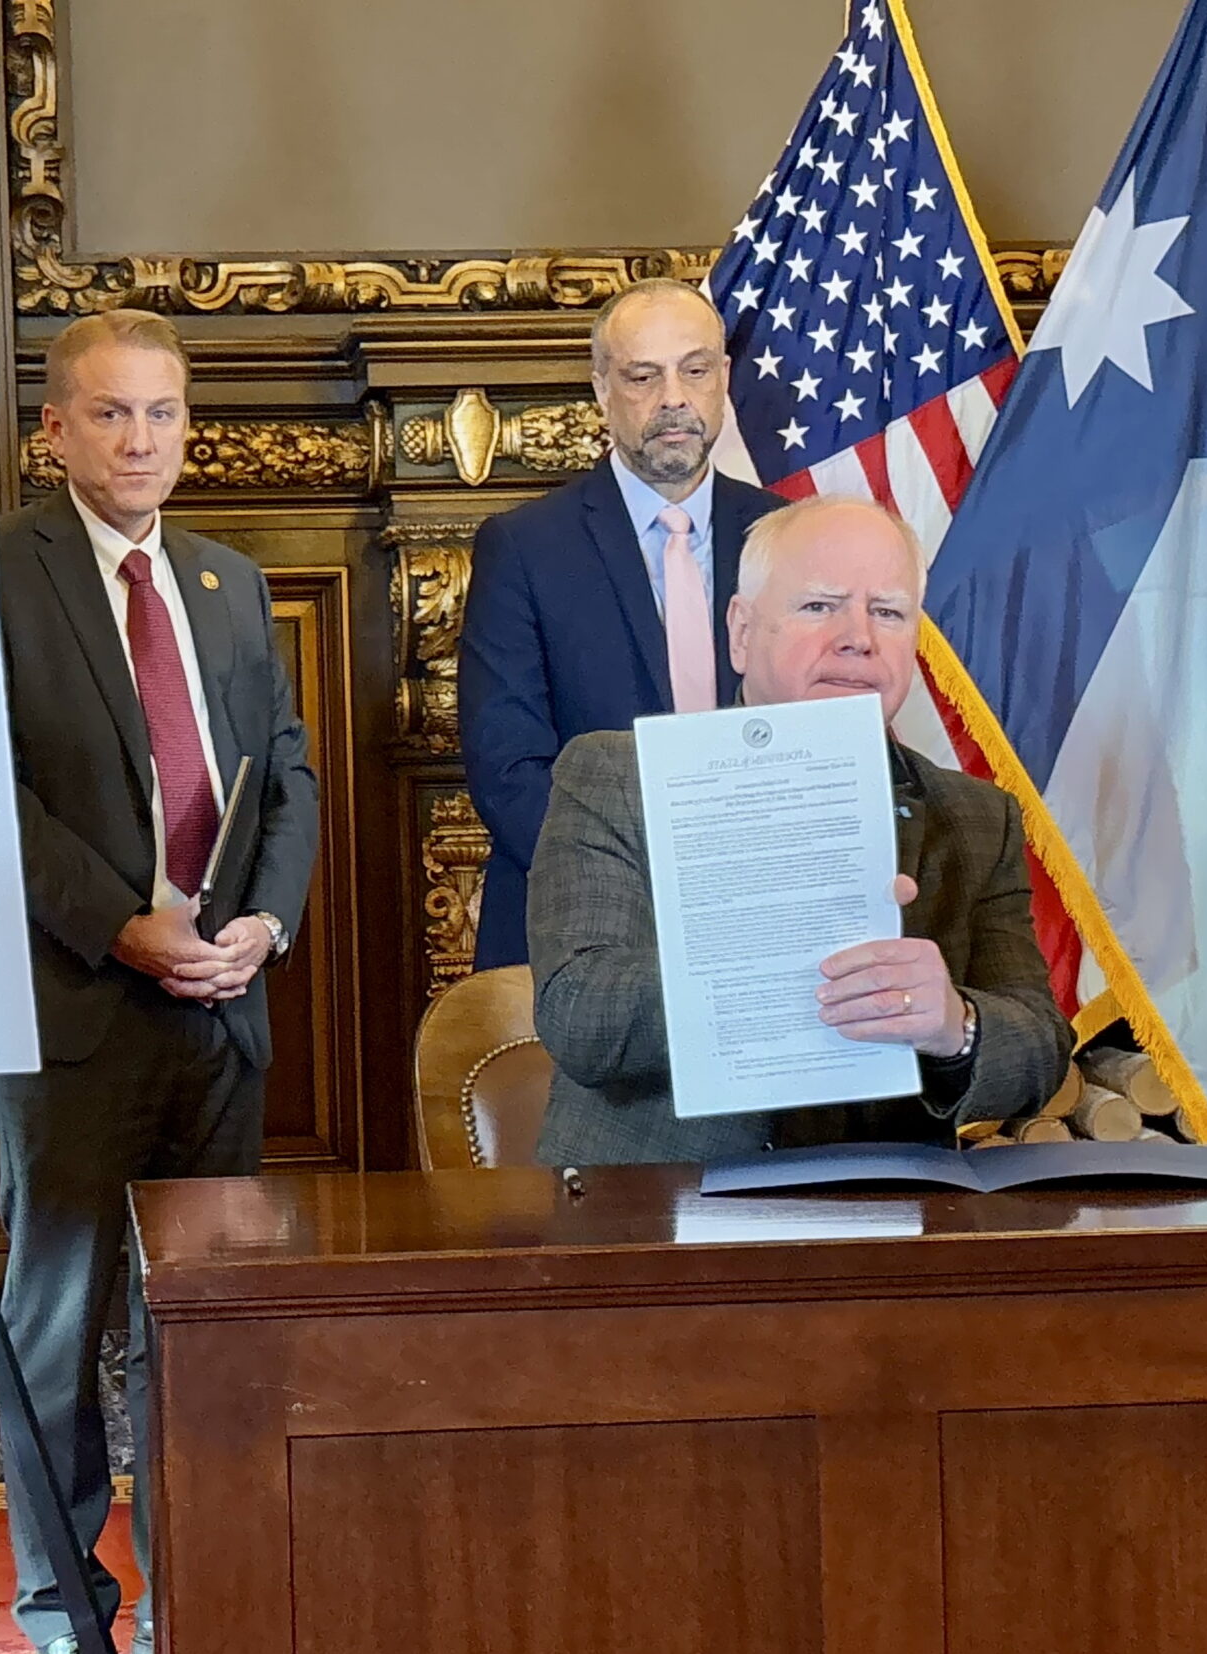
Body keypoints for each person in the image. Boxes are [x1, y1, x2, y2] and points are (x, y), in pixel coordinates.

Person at [0, 308, 319, 1654]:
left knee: (201, 1327)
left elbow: (287, 775)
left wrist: (266, 924)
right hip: (76, 1009)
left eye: (163, 413)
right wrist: (119, 923)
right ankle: (69, 1617)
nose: (141, 441)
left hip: (221, 1014)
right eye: (111, 413)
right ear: (55, 429)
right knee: (59, 1329)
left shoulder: (227, 581)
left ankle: (208, 1585)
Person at [528, 495, 1070, 1166]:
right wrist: (784, 954)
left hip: (883, 1208)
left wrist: (953, 1023)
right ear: (741, 632)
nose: (858, 637)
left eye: (888, 612)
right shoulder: (618, 777)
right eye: (819, 605)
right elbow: (579, 1017)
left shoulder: (978, 816)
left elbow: (1040, 1050)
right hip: (654, 1202)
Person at [457, 277, 787, 970]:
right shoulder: (524, 548)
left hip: (762, 921)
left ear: (724, 378)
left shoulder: (784, 535)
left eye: (695, 371)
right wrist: (658, 891)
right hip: (585, 936)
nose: (674, 398)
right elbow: (508, 772)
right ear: (602, 389)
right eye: (643, 376)